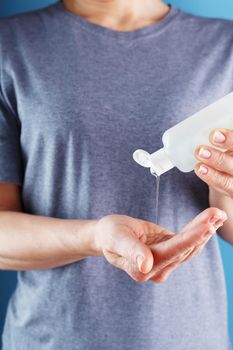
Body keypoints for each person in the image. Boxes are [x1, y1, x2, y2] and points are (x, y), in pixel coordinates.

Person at [0, 0, 232, 349]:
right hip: (51, 339)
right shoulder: (11, 45)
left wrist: (226, 185)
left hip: (191, 336)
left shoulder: (224, 47)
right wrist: (93, 238)